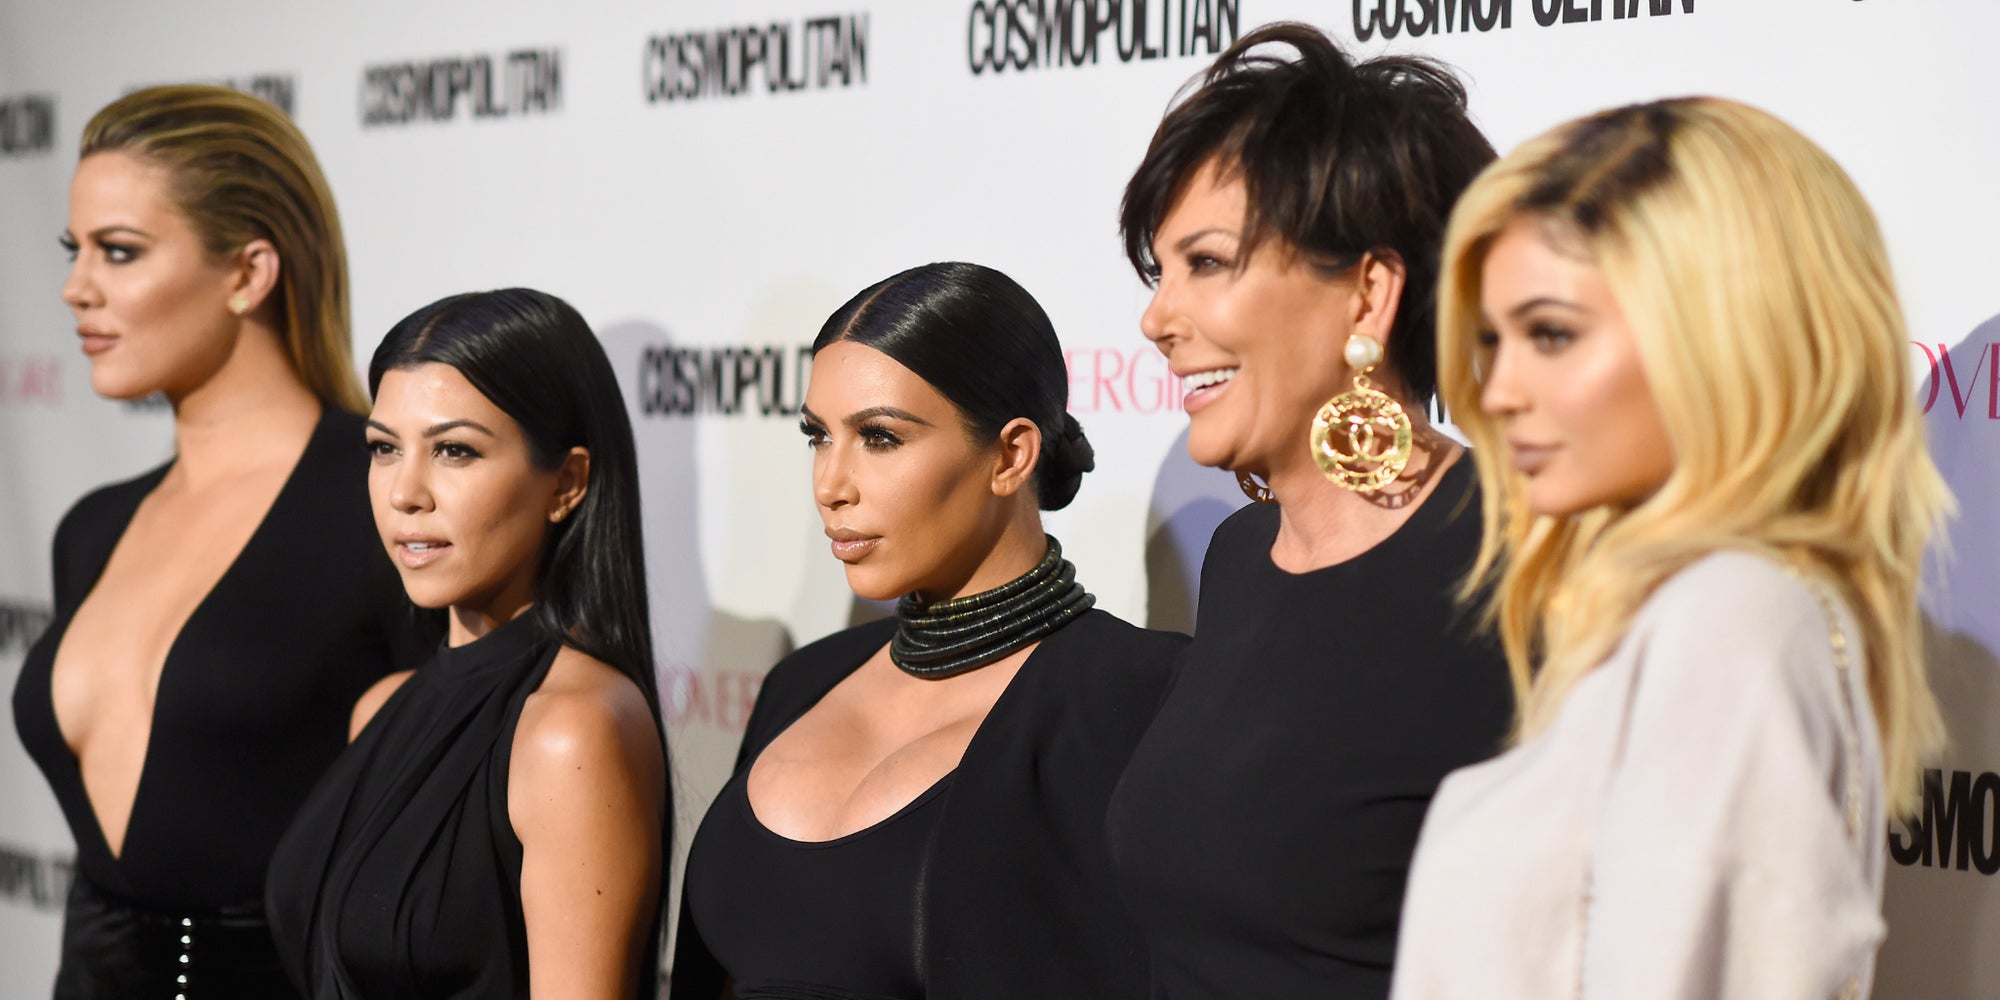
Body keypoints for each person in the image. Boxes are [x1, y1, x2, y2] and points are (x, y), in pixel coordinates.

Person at [1390, 97, 1949, 1000]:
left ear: (1727, 334)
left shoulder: (1729, 619)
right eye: (1494, 341)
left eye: (1552, 335)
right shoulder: (1713, 612)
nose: (1496, 392)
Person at [1102, 22, 1514, 997]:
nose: (1155, 319)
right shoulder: (1243, 555)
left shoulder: (1520, 557)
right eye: (1157, 271)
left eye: (1204, 262)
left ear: (1367, 293)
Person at [10, 84, 429, 998]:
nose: (76, 288)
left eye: (118, 252)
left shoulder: (387, 503)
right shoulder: (93, 527)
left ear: (248, 273)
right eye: (73, 250)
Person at [669, 262, 1186, 1000]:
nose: (829, 484)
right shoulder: (802, 682)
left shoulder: (1138, 699)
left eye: (879, 437)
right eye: (818, 436)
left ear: (1011, 455)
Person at [264, 289, 671, 999]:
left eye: (454, 451)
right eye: (384, 448)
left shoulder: (569, 733)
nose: (405, 492)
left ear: (567, 483)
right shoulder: (381, 709)